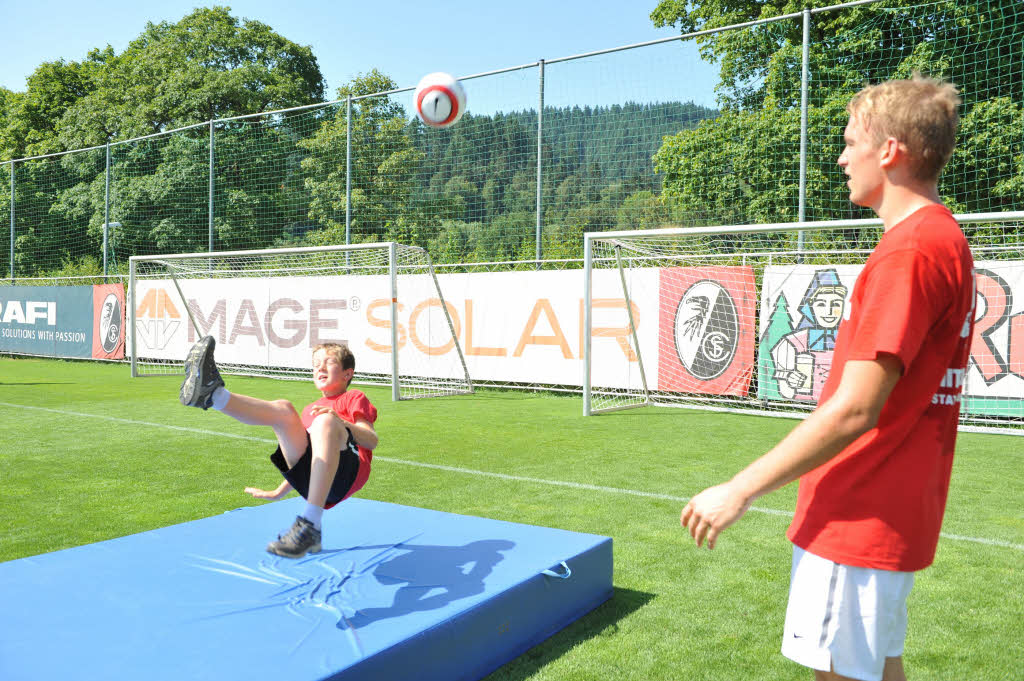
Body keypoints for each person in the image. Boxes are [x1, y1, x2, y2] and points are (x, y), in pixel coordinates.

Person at [680, 75, 975, 681]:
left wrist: (739, 489)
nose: (842, 158)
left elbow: (855, 408)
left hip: (859, 510)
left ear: (889, 150)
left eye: (849, 142)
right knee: (876, 669)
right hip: (885, 508)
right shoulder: (939, 238)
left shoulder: (912, 250)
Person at [180, 337, 378, 558]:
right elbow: (316, 458)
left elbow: (371, 440)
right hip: (318, 481)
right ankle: (213, 396)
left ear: (347, 374)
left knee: (325, 421)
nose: (319, 367)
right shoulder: (311, 409)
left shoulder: (353, 397)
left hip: (348, 475)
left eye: (328, 362)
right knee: (284, 410)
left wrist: (340, 421)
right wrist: (278, 492)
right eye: (315, 364)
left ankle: (310, 523)